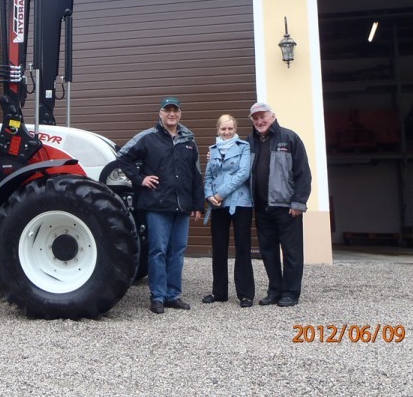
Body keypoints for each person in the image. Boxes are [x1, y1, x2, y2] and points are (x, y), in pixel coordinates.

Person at [117, 97, 204, 314]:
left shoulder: (189, 141)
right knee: (158, 251)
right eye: (167, 110)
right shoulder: (148, 137)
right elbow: (123, 157)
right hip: (157, 205)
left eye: (175, 110)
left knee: (178, 252)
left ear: (180, 113)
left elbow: (196, 174)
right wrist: (140, 179)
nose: (171, 114)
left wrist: (197, 204)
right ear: (161, 113)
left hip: (182, 206)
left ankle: (172, 296)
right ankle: (157, 297)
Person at [247, 102, 312, 307]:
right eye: (256, 118)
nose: (260, 121)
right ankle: (274, 290)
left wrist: (299, 202)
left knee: (292, 252)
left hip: (287, 207)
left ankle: (290, 292)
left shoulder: (290, 138)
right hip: (262, 207)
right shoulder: (249, 142)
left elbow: (303, 173)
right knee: (268, 252)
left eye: (263, 116)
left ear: (273, 117)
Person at [202, 114, 255, 308]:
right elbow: (208, 176)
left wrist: (220, 194)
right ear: (218, 130)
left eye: (230, 129)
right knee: (218, 248)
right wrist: (209, 195)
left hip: (240, 203)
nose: (227, 132)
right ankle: (219, 292)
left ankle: (245, 294)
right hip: (217, 205)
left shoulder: (244, 147)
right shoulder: (213, 150)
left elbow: (243, 174)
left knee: (242, 247)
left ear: (235, 129)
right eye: (223, 129)